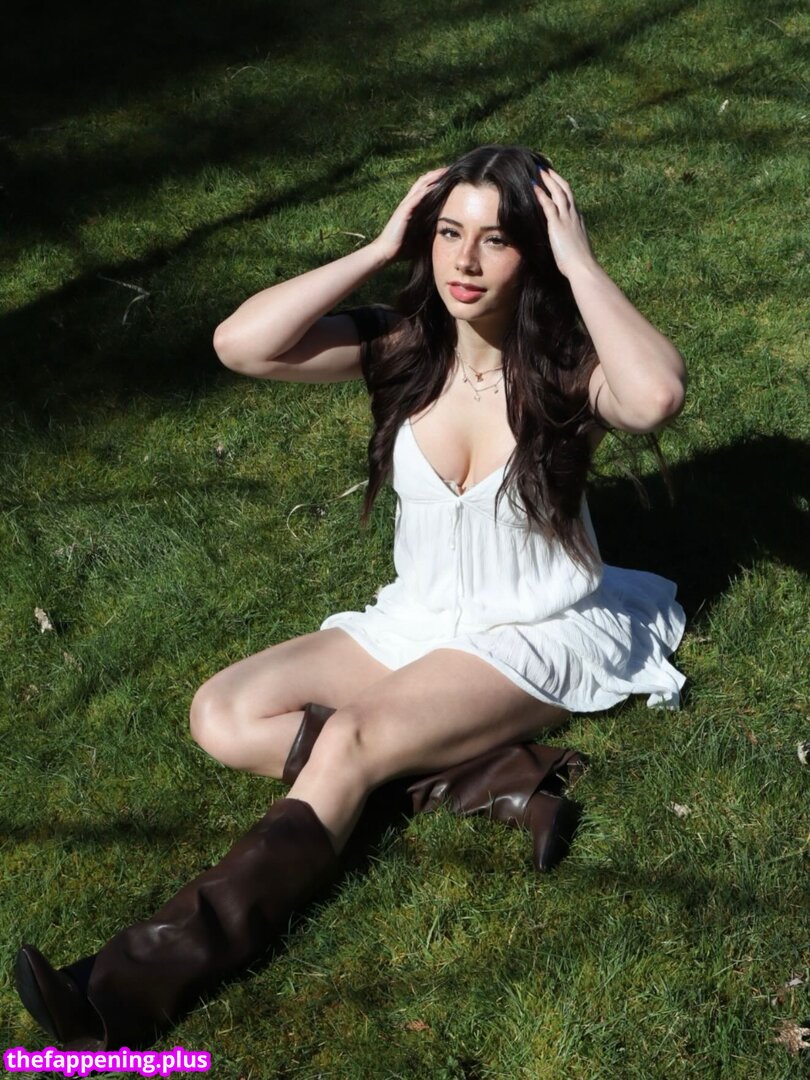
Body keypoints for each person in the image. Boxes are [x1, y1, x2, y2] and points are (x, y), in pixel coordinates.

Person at [14, 145, 687, 1051]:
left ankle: (126, 986)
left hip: (533, 631)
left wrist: (581, 262)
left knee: (349, 738)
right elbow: (240, 344)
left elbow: (657, 395)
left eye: (496, 240)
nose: (464, 260)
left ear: (534, 254)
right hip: (416, 619)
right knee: (222, 714)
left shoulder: (568, 372)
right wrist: (376, 248)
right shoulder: (405, 348)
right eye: (448, 233)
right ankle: (490, 778)